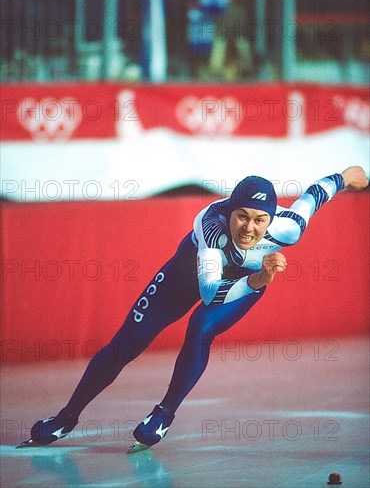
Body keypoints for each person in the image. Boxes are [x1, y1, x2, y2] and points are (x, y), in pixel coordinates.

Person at [19, 166, 368, 453]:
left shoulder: (289, 228)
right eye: (241, 216)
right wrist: (261, 276)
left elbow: (315, 194)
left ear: (272, 219)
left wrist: (345, 177)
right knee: (125, 345)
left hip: (245, 284)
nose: (249, 228)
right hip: (190, 275)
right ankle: (67, 417)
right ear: (229, 212)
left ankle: (164, 413)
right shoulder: (211, 229)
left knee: (200, 328)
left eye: (259, 220)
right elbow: (209, 294)